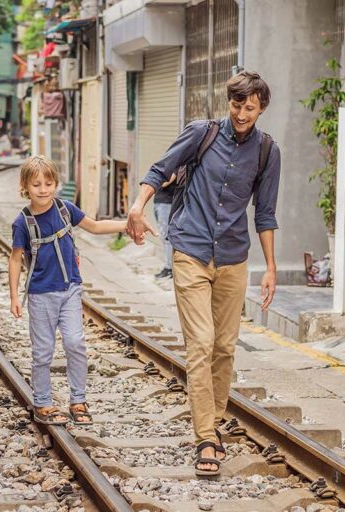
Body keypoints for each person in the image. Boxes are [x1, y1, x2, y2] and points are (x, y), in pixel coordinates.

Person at [126, 71, 281, 476]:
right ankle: (207, 438)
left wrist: (270, 269)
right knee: (202, 344)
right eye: (236, 105)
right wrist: (138, 206)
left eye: (250, 107)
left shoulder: (267, 151)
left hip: (233, 258)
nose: (242, 113)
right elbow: (159, 171)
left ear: (261, 108)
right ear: (228, 102)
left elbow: (264, 213)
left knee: (225, 348)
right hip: (191, 251)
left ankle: (210, 420)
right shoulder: (202, 134)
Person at [9, 156, 127, 425]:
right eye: (36, 184)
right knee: (43, 351)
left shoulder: (65, 209)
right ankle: (43, 402)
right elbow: (15, 258)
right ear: (25, 186)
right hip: (41, 294)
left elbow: (95, 226)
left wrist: (128, 225)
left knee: (75, 343)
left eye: (48, 183)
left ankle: (78, 399)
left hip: (71, 290)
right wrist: (15, 296)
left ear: (55, 184)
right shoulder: (22, 223)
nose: (43, 189)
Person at [153, 173, 177, 279]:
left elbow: (164, 183)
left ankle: (169, 268)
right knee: (163, 236)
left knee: (167, 237)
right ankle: (168, 267)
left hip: (166, 203)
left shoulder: (177, 166)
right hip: (159, 203)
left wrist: (156, 179)